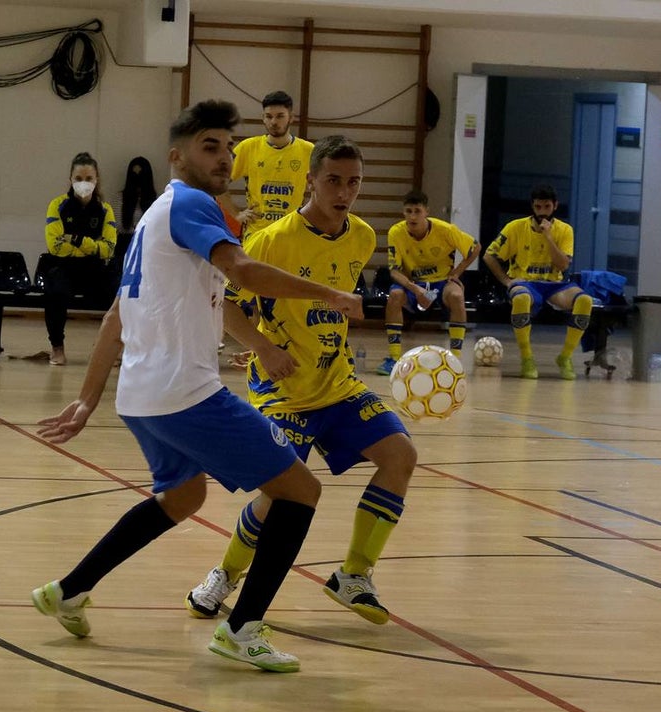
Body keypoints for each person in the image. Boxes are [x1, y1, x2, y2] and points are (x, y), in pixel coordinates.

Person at [32, 100, 364, 673]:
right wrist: (328, 294)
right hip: (186, 393)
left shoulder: (155, 215)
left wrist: (89, 400)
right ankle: (242, 629)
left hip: (141, 396)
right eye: (210, 146)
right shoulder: (190, 203)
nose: (225, 156)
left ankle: (69, 590)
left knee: (185, 496)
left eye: (230, 146)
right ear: (177, 155)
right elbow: (243, 271)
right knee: (301, 491)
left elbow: (116, 315)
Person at [185, 135, 416, 627]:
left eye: (354, 182)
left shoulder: (363, 238)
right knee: (280, 494)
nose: (344, 191)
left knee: (400, 456)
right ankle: (224, 575)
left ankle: (354, 574)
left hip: (337, 383)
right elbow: (225, 302)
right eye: (333, 180)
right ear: (310, 180)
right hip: (282, 388)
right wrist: (265, 347)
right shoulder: (272, 239)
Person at [482, 184, 590, 380]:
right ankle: (527, 358)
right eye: (538, 207)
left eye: (546, 207)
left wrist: (548, 236)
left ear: (555, 206)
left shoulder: (565, 230)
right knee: (521, 297)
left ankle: (565, 357)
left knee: (585, 301)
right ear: (532, 207)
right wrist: (507, 281)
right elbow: (489, 256)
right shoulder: (515, 227)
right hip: (526, 283)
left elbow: (564, 265)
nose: (542, 212)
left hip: (554, 284)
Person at [376, 189, 481, 375]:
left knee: (457, 296)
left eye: (417, 211)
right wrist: (415, 289)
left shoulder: (446, 230)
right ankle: (393, 358)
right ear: (403, 212)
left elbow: (475, 247)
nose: (413, 216)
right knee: (394, 295)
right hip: (413, 283)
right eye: (409, 211)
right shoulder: (396, 232)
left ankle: (455, 359)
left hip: (441, 282)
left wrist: (457, 272)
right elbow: (394, 271)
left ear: (426, 212)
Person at [41, 152, 118, 366]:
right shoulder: (57, 206)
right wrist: (92, 246)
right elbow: (55, 245)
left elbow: (108, 249)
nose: (84, 183)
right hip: (65, 267)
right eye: (79, 179)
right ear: (70, 180)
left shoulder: (105, 210)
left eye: (88, 179)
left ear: (96, 180)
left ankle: (107, 349)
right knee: (55, 290)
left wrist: (75, 239)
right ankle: (57, 348)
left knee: (119, 292)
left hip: (95, 269)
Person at [217, 90, 314, 240]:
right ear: (263, 118)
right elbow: (217, 183)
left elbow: (325, 189)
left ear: (291, 118)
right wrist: (236, 214)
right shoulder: (248, 148)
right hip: (256, 234)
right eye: (269, 116)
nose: (274, 122)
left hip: (291, 234)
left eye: (280, 116)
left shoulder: (308, 150)